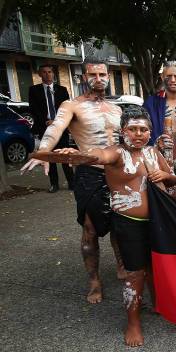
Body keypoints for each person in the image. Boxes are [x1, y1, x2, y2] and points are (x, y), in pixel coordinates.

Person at [55, 107, 176, 347]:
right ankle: (133, 322)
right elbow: (98, 156)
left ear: (150, 132)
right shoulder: (117, 153)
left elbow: (172, 177)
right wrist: (79, 154)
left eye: (143, 129)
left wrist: (163, 174)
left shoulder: (153, 152)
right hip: (129, 223)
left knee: (154, 267)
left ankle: (157, 304)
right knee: (134, 273)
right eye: (133, 129)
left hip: (158, 221)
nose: (139, 134)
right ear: (123, 132)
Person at [21, 58, 126, 303]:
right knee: (90, 229)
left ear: (108, 77)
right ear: (84, 77)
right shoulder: (72, 105)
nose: (98, 78)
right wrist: (44, 152)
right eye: (93, 74)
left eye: (102, 74)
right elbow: (55, 128)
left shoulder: (117, 109)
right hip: (90, 174)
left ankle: (122, 264)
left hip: (118, 171)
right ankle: (94, 281)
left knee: (120, 222)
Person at [28, 64, 74, 193]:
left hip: (61, 128)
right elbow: (33, 109)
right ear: (40, 74)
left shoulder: (62, 90)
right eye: (44, 72)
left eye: (50, 72)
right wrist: (46, 122)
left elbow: (67, 109)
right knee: (49, 157)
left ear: (53, 74)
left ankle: (72, 182)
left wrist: (57, 121)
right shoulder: (34, 90)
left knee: (65, 156)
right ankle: (54, 184)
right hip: (44, 128)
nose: (47, 74)